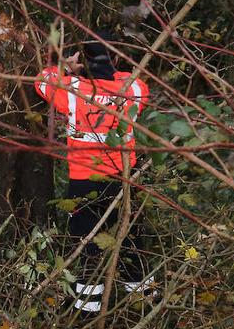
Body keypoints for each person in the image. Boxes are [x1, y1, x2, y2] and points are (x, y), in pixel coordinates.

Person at [35, 35, 149, 314]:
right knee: (131, 238)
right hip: (123, 179)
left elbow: (42, 80)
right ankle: (142, 303)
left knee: (86, 243)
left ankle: (87, 309)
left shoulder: (74, 90)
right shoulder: (132, 90)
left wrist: (68, 66)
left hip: (83, 182)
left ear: (82, 64)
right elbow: (130, 79)